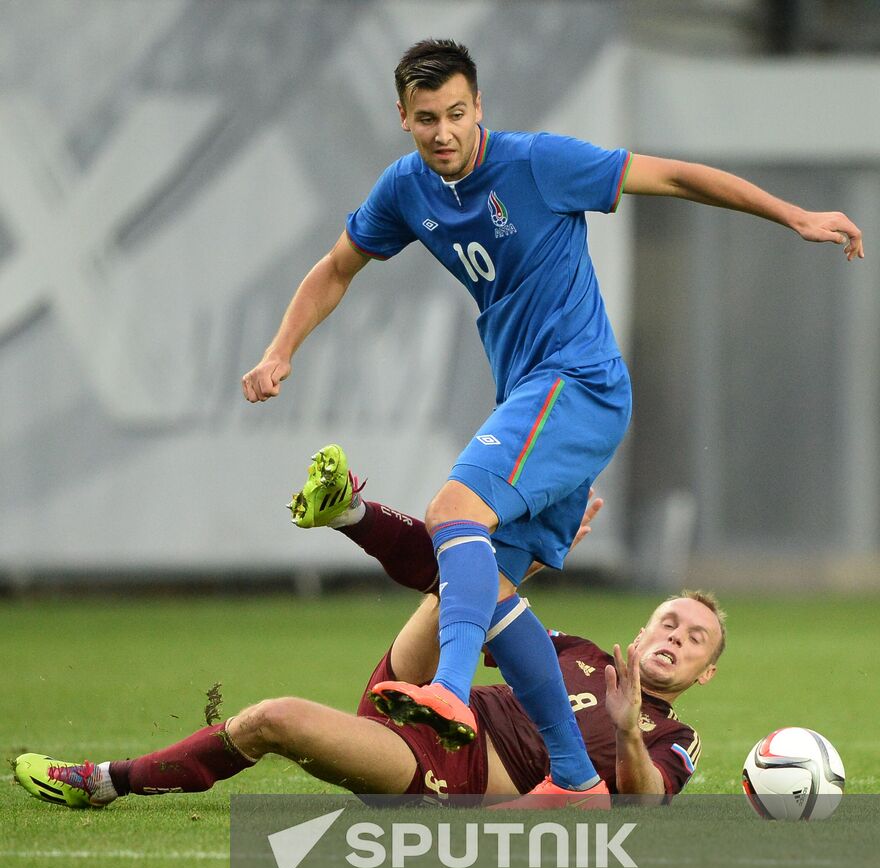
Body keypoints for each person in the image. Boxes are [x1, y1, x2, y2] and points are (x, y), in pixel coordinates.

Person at [240, 40, 858, 803]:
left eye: (458, 114)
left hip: (580, 385)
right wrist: (280, 349)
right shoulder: (405, 190)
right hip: (534, 403)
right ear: (402, 117)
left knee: (452, 510)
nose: (444, 132)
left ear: (480, 109)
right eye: (427, 118)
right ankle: (573, 779)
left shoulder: (537, 164)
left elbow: (674, 175)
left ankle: (452, 690)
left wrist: (793, 214)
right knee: (483, 578)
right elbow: (338, 267)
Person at [13, 450, 724, 810]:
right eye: (670, 620)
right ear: (641, 626)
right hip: (417, 705)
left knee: (272, 720)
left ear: (704, 675)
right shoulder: (577, 651)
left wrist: (629, 730)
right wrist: (525, 567)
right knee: (468, 579)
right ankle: (348, 511)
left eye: (695, 640)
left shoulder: (674, 738)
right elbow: (487, 616)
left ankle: (105, 782)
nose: (676, 637)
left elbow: (641, 805)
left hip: (457, 771)